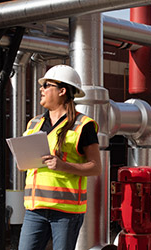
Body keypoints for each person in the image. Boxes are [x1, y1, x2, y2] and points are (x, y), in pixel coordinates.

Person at [18, 64, 102, 250]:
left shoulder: (83, 125)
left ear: (62, 90)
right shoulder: (34, 123)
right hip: (35, 209)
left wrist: (63, 166)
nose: (41, 89)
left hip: (66, 212)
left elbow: (96, 167)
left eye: (46, 85)